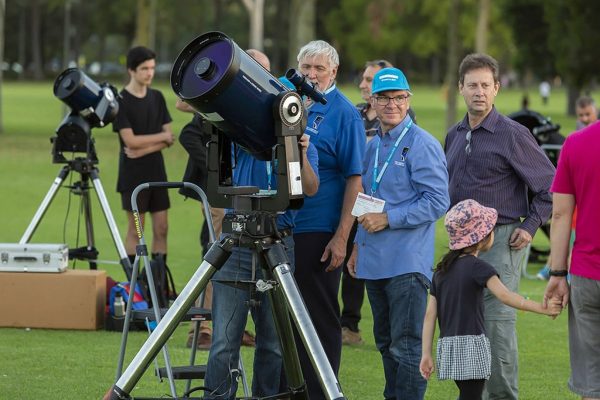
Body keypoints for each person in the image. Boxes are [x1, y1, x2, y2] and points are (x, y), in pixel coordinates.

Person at [204, 49, 320, 400]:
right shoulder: (241, 134)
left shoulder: (298, 139)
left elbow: (310, 188)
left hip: (279, 241)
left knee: (272, 343)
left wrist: (297, 150)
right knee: (224, 341)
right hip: (237, 242)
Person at [444, 53, 555, 400]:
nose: (479, 92)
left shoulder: (513, 134)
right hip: (460, 249)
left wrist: (532, 225)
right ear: (461, 88)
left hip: (502, 241)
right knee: (465, 327)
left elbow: (550, 187)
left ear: (496, 89)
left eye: (485, 85)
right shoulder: (453, 134)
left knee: (496, 325)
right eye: (472, 85)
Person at [346, 67, 449, 399]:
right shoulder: (373, 146)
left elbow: (437, 201)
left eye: (399, 97)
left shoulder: (422, 144)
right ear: (372, 101)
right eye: (384, 98)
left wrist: (389, 218)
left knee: (406, 348)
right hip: (374, 261)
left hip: (407, 263)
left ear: (408, 100)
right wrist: (358, 246)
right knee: (386, 344)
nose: (392, 104)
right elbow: (366, 199)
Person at [420, 199, 561, 400]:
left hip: (448, 347)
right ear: (482, 238)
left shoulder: (441, 271)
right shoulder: (480, 268)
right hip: (472, 346)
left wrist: (426, 354)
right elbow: (506, 296)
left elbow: (429, 316)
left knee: (468, 394)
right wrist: (542, 308)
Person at [292, 40, 365, 399]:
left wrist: (342, 236)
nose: (312, 75)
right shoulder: (289, 102)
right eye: (307, 68)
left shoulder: (344, 113)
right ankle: (290, 390)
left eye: (319, 68)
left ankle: (323, 391)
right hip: (284, 226)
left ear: (333, 72)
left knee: (319, 317)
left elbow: (356, 178)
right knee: (287, 319)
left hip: (320, 229)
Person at [340, 59, 417, 346]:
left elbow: (435, 199)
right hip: (357, 205)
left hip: (396, 232)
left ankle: (351, 324)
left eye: (370, 79)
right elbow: (366, 182)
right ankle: (346, 324)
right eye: (364, 79)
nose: (362, 83)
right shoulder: (358, 119)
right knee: (351, 261)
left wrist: (388, 218)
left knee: (401, 339)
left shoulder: (410, 133)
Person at [176, 101, 255, 349]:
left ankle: (231, 326)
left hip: (244, 195)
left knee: (240, 260)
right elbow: (188, 134)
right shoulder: (224, 103)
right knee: (217, 256)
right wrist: (216, 171)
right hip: (219, 196)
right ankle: (201, 329)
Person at [544, 114, 600, 400]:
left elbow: (560, 214)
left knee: (591, 383)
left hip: (587, 276)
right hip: (587, 272)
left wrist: (556, 274)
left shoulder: (575, 143)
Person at [112, 46, 174, 266]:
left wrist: (143, 149)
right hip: (132, 176)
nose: (150, 73)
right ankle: (135, 284)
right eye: (144, 68)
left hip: (157, 172)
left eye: (152, 68)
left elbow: (170, 137)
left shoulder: (157, 97)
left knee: (162, 228)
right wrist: (159, 138)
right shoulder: (120, 101)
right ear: (131, 70)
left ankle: (158, 284)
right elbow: (130, 141)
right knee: (137, 231)